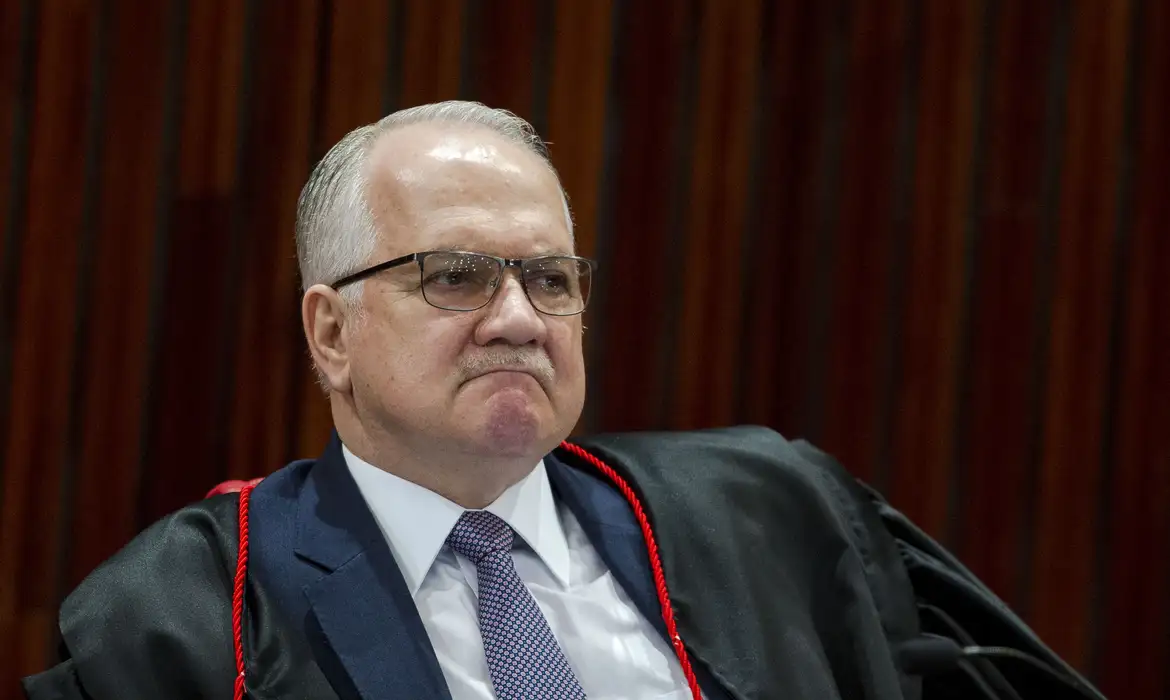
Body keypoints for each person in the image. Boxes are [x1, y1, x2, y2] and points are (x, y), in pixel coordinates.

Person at [22, 102, 1104, 700]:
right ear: (331, 333)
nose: (518, 318)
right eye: (456, 275)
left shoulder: (772, 516)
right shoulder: (188, 617)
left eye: (550, 278)